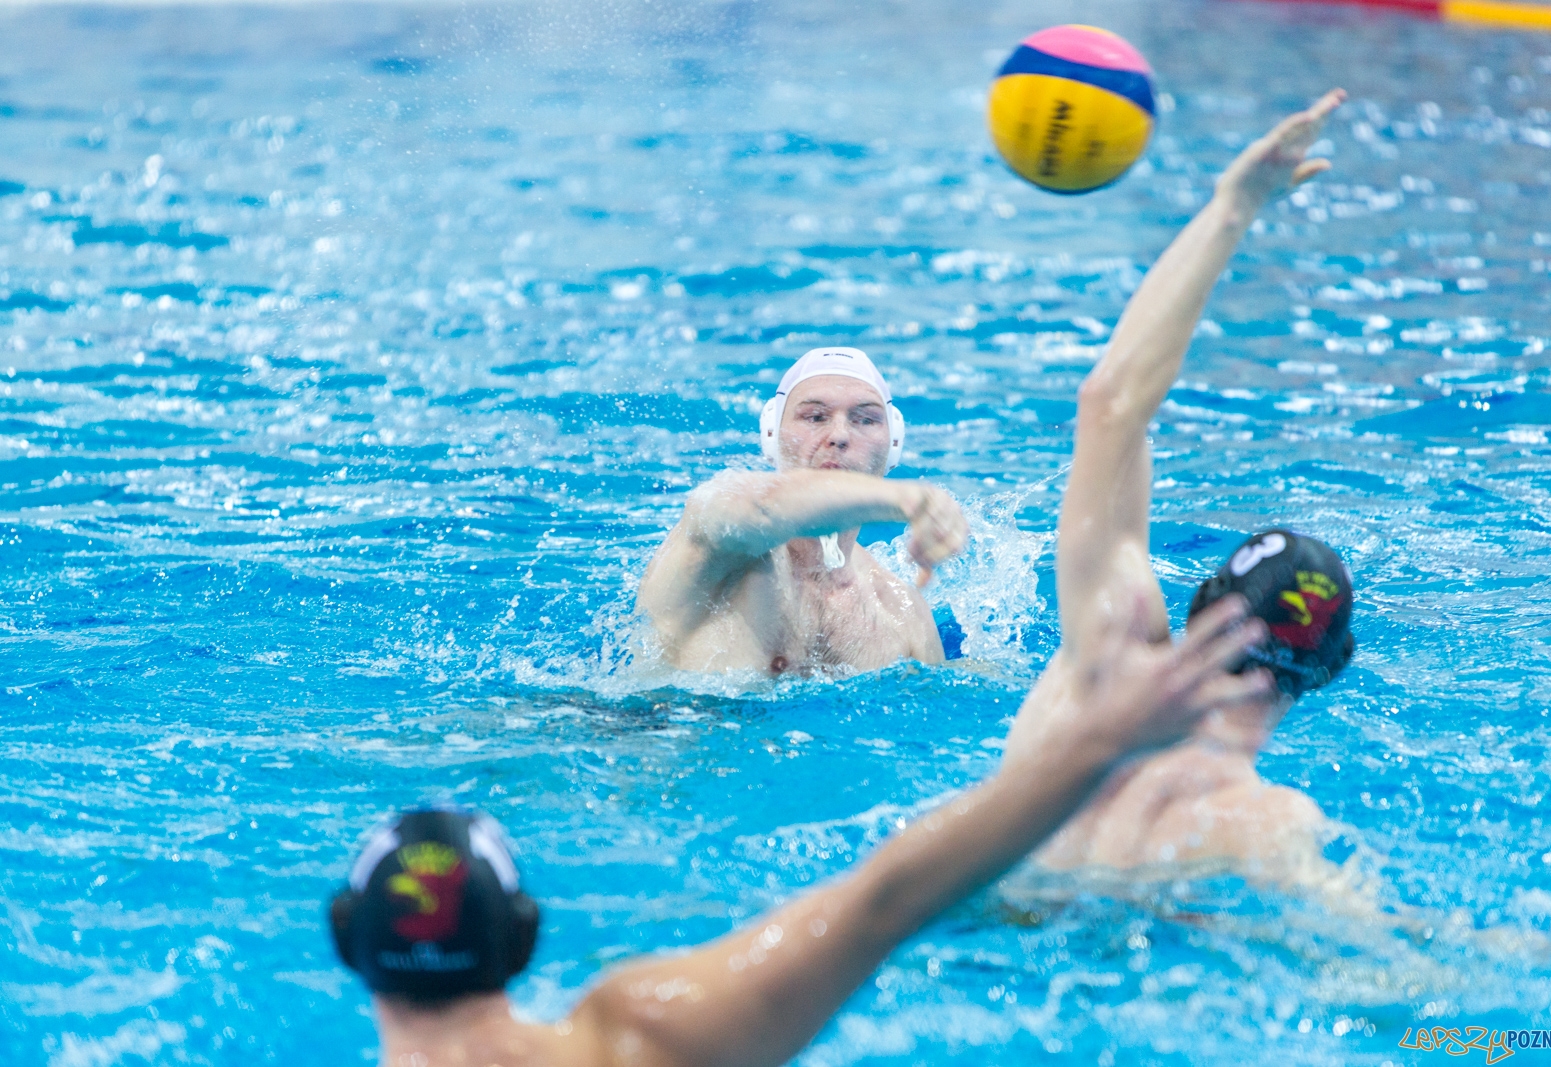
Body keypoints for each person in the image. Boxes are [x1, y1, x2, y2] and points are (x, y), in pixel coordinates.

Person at [328, 595, 1274, 1067]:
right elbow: (885, 900)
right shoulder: (640, 1035)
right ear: (524, 934)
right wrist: (1098, 742)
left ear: (345, 941)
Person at [1001, 89, 1359, 882]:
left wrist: (1235, 206)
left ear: (1203, 607)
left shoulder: (1108, 657)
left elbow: (1111, 405)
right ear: (1333, 668)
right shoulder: (1264, 823)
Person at [637, 347, 970, 675]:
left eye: (865, 420)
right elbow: (758, 508)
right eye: (815, 417)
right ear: (772, 435)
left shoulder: (903, 614)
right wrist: (905, 500)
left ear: (892, 446)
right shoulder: (721, 544)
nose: (839, 435)